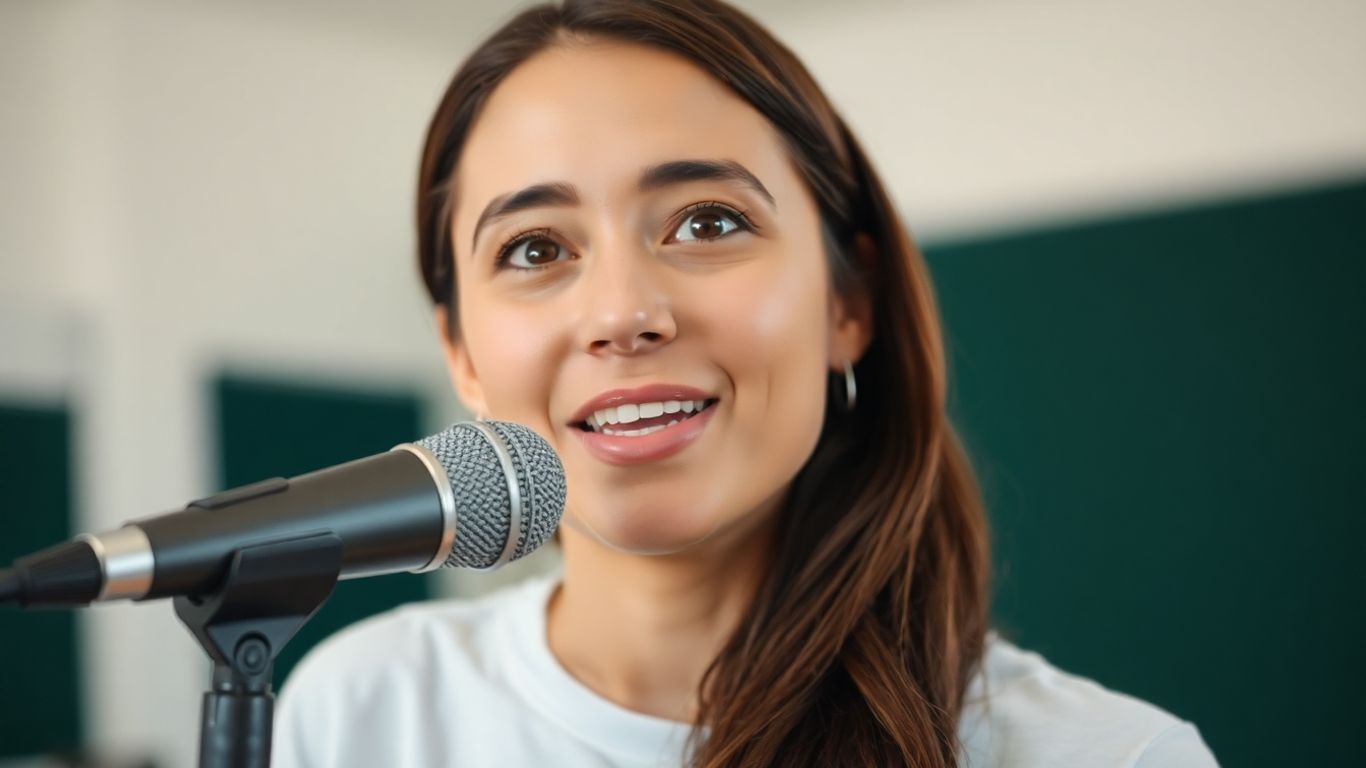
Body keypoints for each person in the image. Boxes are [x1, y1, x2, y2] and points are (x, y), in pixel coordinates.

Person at [274, 1, 1219, 765]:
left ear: (849, 304)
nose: (620, 313)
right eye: (534, 247)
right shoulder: (361, 712)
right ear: (463, 356)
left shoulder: (1108, 755)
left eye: (707, 223)